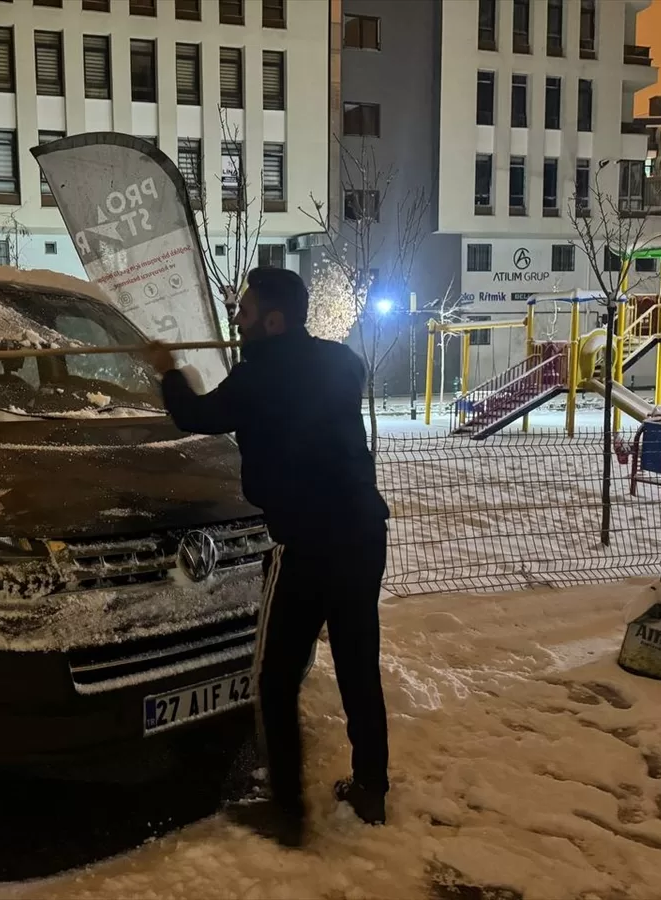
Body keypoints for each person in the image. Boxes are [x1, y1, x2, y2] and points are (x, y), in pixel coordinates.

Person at [144, 267, 390, 847]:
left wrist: (167, 369)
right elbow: (335, 371)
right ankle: (371, 791)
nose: (238, 320)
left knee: (274, 677)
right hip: (362, 534)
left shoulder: (255, 379)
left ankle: (286, 810)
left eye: (247, 313)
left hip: (307, 545)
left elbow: (196, 417)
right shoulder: (339, 363)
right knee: (358, 666)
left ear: (274, 320)